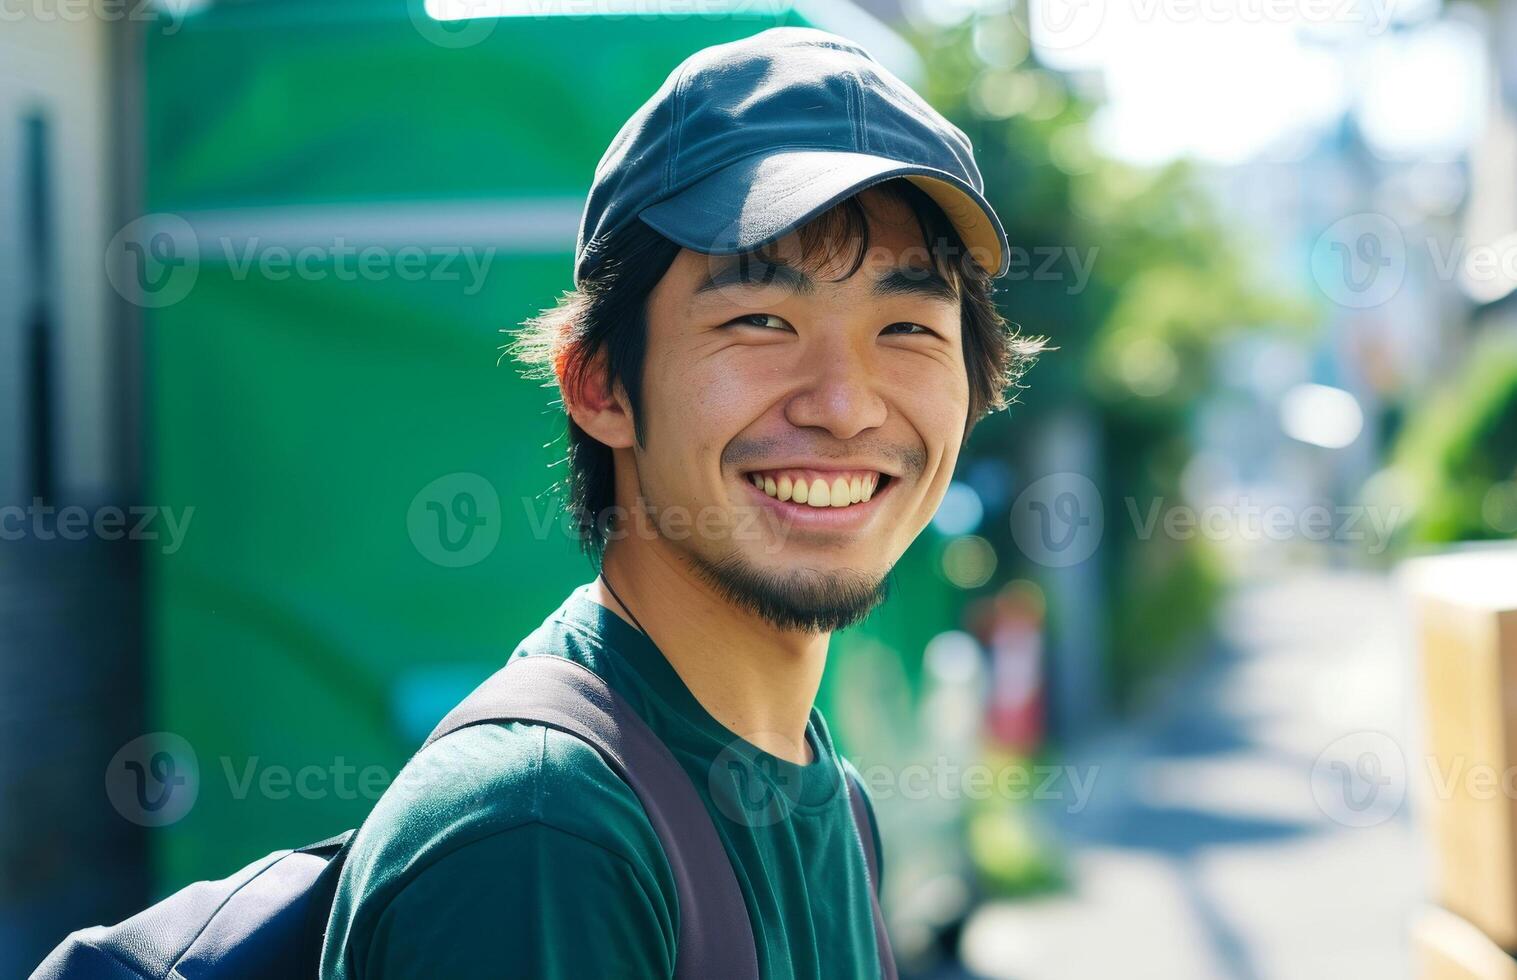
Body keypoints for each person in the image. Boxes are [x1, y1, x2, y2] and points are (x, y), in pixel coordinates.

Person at [319, 27, 1040, 979]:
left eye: (906, 326)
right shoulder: (544, 835)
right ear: (600, 386)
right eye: (759, 320)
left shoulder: (835, 800)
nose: (843, 404)